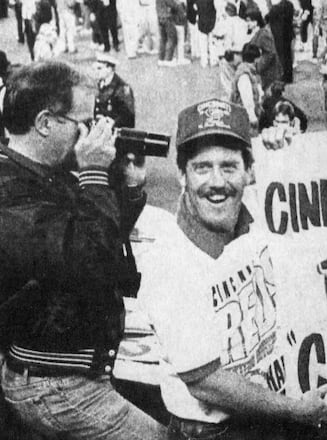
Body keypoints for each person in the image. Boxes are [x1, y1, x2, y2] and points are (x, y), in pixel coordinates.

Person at [137, 98, 327, 439]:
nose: (217, 182)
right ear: (181, 174)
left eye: (229, 166)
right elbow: (207, 383)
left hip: (269, 412)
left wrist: (285, 153)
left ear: (249, 171)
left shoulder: (259, 209)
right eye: (202, 167)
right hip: (215, 430)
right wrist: (294, 410)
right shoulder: (169, 261)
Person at [0, 61, 168, 440]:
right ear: (45, 122)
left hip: (68, 368)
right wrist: (92, 172)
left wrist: (125, 189)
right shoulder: (9, 189)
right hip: (49, 384)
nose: (93, 133)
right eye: (84, 122)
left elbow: (103, 243)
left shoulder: (39, 171)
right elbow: (88, 263)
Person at [92, 52, 136, 128]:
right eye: (95, 68)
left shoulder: (122, 88)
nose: (96, 72)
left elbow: (129, 117)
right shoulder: (100, 83)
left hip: (117, 132)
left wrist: (113, 123)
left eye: (99, 68)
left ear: (109, 69)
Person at [230, 43, 264, 135]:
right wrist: (252, 117)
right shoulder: (244, 75)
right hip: (245, 118)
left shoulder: (249, 71)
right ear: (256, 59)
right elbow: (247, 100)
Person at [246, 10, 283, 92]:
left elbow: (270, 53)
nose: (247, 23)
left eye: (250, 21)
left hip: (268, 72)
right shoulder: (262, 32)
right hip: (269, 72)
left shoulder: (264, 33)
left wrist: (258, 66)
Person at [267, 0, 296, 83]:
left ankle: (284, 75)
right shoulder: (289, 5)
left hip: (279, 34)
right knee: (287, 55)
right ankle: (288, 76)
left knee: (282, 55)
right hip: (287, 33)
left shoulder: (276, 8)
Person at [156, 0, 179, 66]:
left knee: (163, 39)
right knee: (172, 38)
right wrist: (178, 4)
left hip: (160, 17)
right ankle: (169, 59)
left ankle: (161, 59)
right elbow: (173, 5)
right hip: (167, 18)